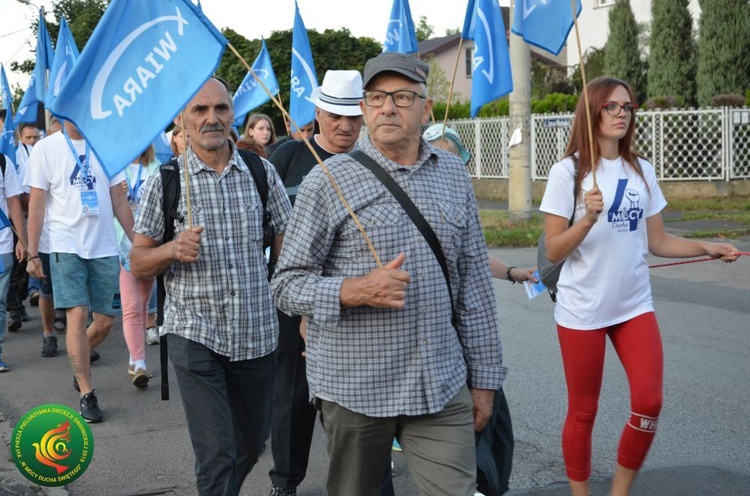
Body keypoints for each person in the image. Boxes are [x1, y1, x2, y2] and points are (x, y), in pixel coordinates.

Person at [272, 52, 505, 496]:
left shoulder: (454, 174)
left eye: (401, 96)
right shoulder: (328, 179)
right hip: (356, 388)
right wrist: (353, 290)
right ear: (363, 107)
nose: (388, 108)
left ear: (426, 107)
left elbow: (474, 285)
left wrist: (485, 380)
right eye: (377, 97)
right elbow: (286, 285)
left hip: (440, 383)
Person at [539, 76, 739, 496]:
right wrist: (588, 219)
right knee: (583, 411)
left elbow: (658, 241)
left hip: (633, 305)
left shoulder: (641, 169)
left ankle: (620, 492)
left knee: (649, 402)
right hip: (582, 310)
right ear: (592, 111)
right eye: (611, 106)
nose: (621, 114)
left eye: (627, 107)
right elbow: (554, 250)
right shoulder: (568, 172)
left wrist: (708, 245)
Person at [130, 77, 292, 496]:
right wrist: (170, 249)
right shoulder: (164, 181)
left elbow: (288, 247)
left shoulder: (261, 172)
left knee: (252, 445)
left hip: (257, 332)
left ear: (232, 114)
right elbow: (138, 261)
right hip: (194, 331)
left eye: (220, 108)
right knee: (216, 452)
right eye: (200, 110)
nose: (211, 118)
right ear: (182, 120)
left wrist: (302, 306)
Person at [266, 69, 365, 496]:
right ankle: (285, 480)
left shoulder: (371, 161)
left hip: (358, 297)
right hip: (295, 291)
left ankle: (366, 474)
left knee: (361, 396)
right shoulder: (288, 156)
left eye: (353, 117)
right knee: (292, 391)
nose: (344, 126)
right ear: (319, 113)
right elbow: (265, 222)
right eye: (335, 116)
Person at [26, 120, 135, 423]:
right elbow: (36, 204)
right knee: (76, 313)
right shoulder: (46, 149)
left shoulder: (107, 146)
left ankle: (79, 364)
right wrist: (33, 252)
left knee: (104, 322)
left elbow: (119, 201)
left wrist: (139, 243)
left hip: (103, 245)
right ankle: (87, 392)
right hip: (64, 243)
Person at [422, 123, 537, 284]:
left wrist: (512, 272)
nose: (443, 164)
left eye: (450, 158)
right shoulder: (408, 197)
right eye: (436, 157)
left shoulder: (459, 200)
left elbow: (473, 252)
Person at [117, 145, 159, 387]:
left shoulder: (157, 168)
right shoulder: (115, 169)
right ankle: (139, 361)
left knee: (142, 303)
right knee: (132, 306)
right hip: (123, 244)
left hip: (150, 243)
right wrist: (117, 196)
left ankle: (136, 358)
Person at [0, 138, 27, 372]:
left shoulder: (3, 162)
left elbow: (13, 203)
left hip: (2, 243)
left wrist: (22, 239)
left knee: (0, 301)